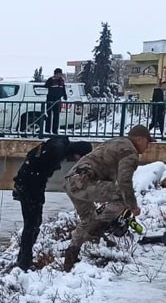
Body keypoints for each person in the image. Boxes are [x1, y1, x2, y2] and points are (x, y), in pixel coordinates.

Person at [62, 125, 151, 271]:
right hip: (85, 181)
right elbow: (124, 181)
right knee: (121, 196)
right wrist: (132, 206)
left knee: (87, 219)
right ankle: (98, 229)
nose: (147, 147)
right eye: (147, 142)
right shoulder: (130, 152)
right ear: (139, 139)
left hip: (71, 181)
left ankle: (70, 260)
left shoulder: (116, 142)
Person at [13, 136, 92, 270]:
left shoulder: (59, 143)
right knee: (31, 225)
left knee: (33, 225)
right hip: (29, 188)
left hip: (28, 184)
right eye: (78, 159)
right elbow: (41, 167)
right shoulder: (57, 149)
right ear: (77, 154)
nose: (74, 162)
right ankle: (23, 263)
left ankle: (24, 260)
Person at [44, 68, 67, 135]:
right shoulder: (51, 80)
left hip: (58, 100)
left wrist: (65, 96)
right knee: (49, 116)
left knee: (56, 116)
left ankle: (55, 131)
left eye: (60, 74)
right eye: (57, 74)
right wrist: (50, 81)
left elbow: (63, 89)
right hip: (50, 100)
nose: (58, 76)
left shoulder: (62, 81)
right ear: (55, 74)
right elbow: (46, 86)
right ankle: (47, 130)